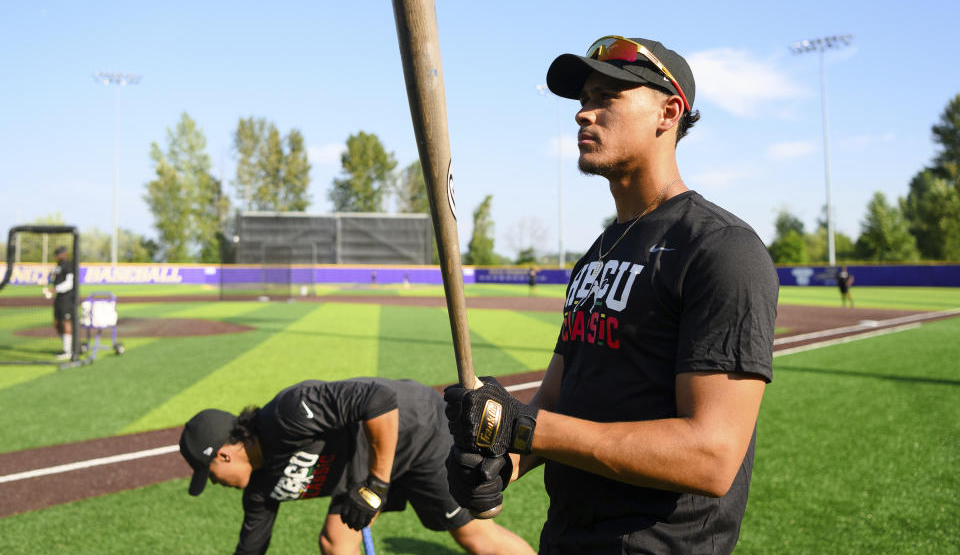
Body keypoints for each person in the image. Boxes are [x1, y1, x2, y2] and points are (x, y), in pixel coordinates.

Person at [444, 36, 779, 554]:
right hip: (567, 538)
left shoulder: (719, 248)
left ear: (669, 112)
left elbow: (711, 457)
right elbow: (558, 397)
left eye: (608, 97)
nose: (584, 114)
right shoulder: (598, 253)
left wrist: (526, 429)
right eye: (583, 100)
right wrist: (502, 460)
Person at [179, 378, 535, 555]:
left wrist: (377, 486)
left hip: (416, 429)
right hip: (366, 467)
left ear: (224, 454)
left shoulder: (287, 413)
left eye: (208, 474)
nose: (214, 483)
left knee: (472, 534)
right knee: (335, 542)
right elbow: (250, 550)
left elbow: (377, 399)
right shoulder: (259, 490)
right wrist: (372, 483)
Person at [46, 245, 75, 360]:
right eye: (57, 254)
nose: (58, 256)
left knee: (66, 322)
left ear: (65, 254)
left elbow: (69, 284)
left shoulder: (69, 265)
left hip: (67, 299)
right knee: (57, 323)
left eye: (60, 253)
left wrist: (55, 289)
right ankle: (66, 348)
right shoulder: (58, 266)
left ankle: (68, 351)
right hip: (59, 298)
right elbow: (55, 279)